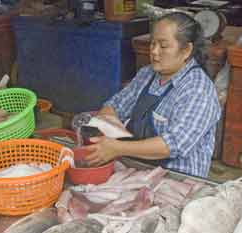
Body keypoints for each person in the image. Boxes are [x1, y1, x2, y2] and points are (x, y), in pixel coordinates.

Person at [83, 11, 221, 178]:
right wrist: (104, 127)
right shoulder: (147, 74)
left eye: (163, 46)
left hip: (176, 181)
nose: (154, 51)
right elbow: (115, 105)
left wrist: (117, 148)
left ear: (186, 50)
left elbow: (173, 145)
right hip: (137, 171)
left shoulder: (198, 90)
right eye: (152, 44)